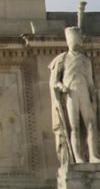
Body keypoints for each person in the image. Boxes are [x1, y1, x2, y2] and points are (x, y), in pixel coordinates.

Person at [49, 26, 100, 164]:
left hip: (84, 93)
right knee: (74, 126)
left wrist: (94, 98)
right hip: (70, 94)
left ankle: (93, 155)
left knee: (91, 124)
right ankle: (77, 157)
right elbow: (54, 82)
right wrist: (62, 87)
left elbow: (90, 82)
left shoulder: (86, 60)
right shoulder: (62, 59)